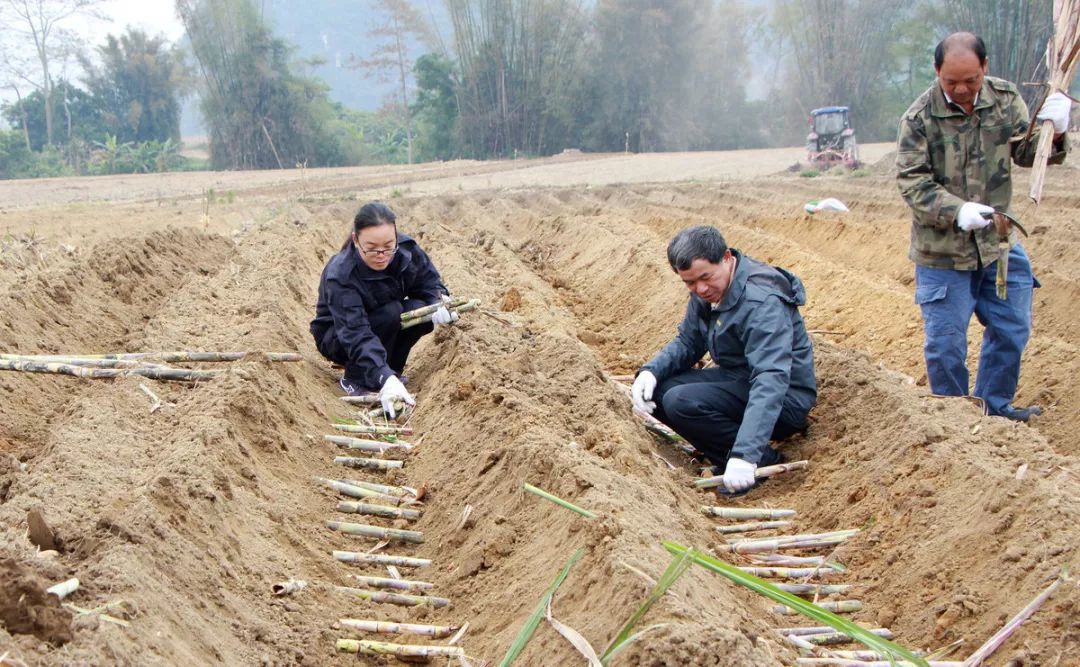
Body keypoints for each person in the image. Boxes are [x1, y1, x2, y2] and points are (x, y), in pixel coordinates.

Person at [896, 32, 1072, 422]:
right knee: (945, 347)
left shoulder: (1005, 99)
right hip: (942, 253)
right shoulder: (918, 118)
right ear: (937, 71)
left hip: (998, 245)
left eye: (971, 80)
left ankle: (995, 407)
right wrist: (956, 211)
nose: (961, 89)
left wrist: (1056, 131)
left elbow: (1026, 152)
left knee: (1011, 329)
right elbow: (911, 180)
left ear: (985, 68)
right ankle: (955, 423)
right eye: (951, 81)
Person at [631, 226, 817, 494]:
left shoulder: (761, 301)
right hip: (740, 379)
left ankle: (754, 460)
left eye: (705, 277)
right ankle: (724, 450)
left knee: (680, 402)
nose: (700, 289)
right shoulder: (708, 292)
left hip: (784, 401)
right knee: (658, 390)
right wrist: (651, 371)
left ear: (727, 258)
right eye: (690, 283)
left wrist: (746, 454)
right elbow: (689, 341)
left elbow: (770, 378)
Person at [311, 202, 456, 416]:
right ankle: (357, 378)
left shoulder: (406, 251)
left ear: (397, 236)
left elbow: (429, 283)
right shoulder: (341, 275)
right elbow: (355, 333)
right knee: (391, 313)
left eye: (388, 246)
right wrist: (382, 377)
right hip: (339, 338)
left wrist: (440, 301)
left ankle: (393, 370)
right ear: (355, 240)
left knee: (420, 311)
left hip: (382, 321)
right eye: (371, 248)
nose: (382, 254)